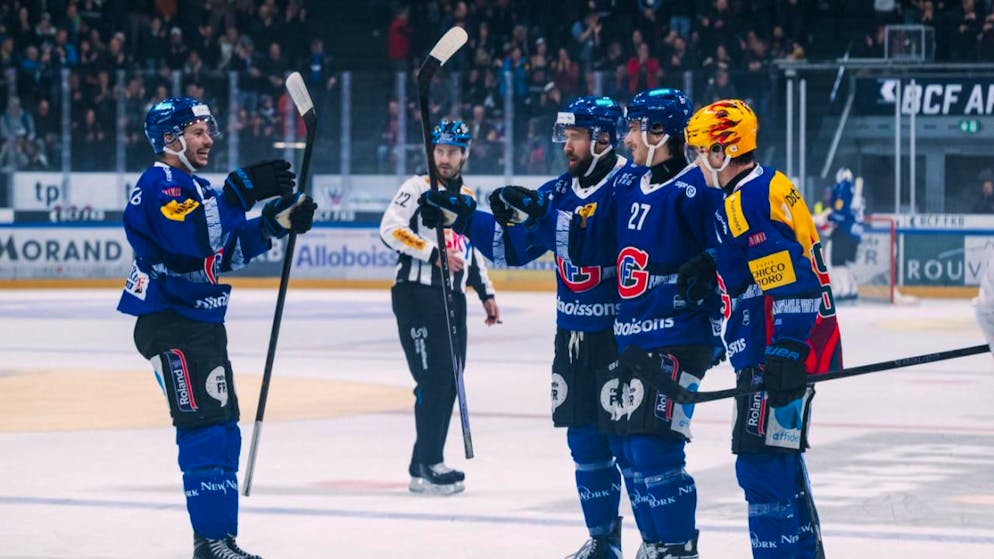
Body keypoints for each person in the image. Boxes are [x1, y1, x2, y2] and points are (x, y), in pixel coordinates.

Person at [422, 97, 630, 557]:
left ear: (602, 138)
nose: (566, 146)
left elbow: (604, 241)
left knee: (634, 448)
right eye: (566, 136)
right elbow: (507, 247)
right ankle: (603, 540)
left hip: (620, 338)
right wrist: (461, 215)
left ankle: (660, 542)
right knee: (584, 443)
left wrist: (546, 217)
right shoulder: (559, 188)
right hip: (572, 336)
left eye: (574, 136)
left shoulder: (629, 185)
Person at [118, 97, 317, 559]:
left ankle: (220, 539)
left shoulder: (193, 187)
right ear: (171, 138)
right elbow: (188, 238)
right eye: (199, 132)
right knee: (204, 427)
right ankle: (210, 543)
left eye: (209, 131)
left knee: (224, 428)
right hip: (171, 322)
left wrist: (272, 224)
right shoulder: (160, 184)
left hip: (200, 321)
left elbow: (220, 253)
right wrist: (238, 196)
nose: (210, 140)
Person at [679, 99, 843, 559]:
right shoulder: (763, 184)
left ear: (720, 152)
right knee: (781, 469)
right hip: (780, 345)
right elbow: (764, 258)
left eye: (699, 151)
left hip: (773, 352)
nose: (695, 161)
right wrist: (715, 261)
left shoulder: (747, 200)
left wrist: (787, 350)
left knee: (762, 470)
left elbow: (788, 276)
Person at [566, 88, 725, 558]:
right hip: (631, 336)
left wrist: (711, 267)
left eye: (636, 127)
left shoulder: (698, 187)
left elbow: (729, 248)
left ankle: (677, 547)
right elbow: (591, 242)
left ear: (661, 133)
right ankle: (655, 543)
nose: (627, 136)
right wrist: (572, 227)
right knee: (628, 449)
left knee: (656, 449)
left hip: (678, 335)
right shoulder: (629, 183)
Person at [379, 119, 500, 496]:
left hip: (453, 299)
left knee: (447, 384)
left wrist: (486, 291)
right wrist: (432, 253)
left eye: (452, 152)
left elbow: (469, 248)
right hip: (417, 296)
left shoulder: (464, 195)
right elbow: (390, 228)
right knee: (432, 381)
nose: (445, 159)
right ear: (431, 152)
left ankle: (423, 462)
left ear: (465, 153)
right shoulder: (415, 188)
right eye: (440, 151)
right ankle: (430, 463)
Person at [826, 167, 864, 301]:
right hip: (856, 233)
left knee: (836, 262)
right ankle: (852, 289)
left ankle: (845, 289)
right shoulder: (855, 191)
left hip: (845, 231)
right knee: (844, 262)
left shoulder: (844, 187)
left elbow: (840, 212)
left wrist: (830, 217)